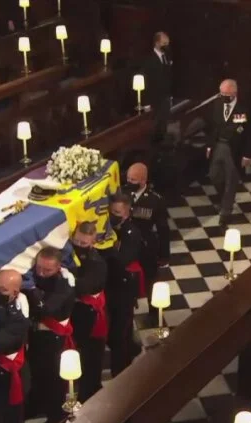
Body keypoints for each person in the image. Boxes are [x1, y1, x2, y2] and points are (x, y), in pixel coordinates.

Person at [23, 247, 77, 423]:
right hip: (37, 336)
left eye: (47, 270)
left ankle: (55, 418)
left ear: (58, 267)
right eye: (38, 268)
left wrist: (31, 289)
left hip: (53, 340)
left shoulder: (65, 285)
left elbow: (46, 309)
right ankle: (36, 406)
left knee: (53, 380)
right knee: (37, 374)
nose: (41, 273)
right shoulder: (37, 276)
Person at [0, 270, 34, 423]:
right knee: (2, 417)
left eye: (3, 290)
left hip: (13, 376)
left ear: (15, 293)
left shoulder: (19, 316)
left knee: (12, 419)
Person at [123, 162, 170, 327]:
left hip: (146, 246)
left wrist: (164, 254)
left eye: (133, 180)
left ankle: (154, 312)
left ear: (143, 180)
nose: (129, 182)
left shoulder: (155, 200)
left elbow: (163, 229)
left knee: (151, 280)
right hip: (126, 245)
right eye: (128, 178)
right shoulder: (123, 194)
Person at [102, 194, 144, 376]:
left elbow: (122, 260)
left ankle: (121, 371)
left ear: (127, 213)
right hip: (112, 287)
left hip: (124, 289)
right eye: (112, 212)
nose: (114, 215)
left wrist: (106, 249)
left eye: (118, 213)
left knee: (120, 332)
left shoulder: (131, 233)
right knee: (116, 330)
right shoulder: (112, 229)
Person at [205, 79, 251, 226]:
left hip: (235, 149)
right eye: (221, 94)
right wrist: (209, 146)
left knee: (231, 181)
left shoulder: (244, 108)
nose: (223, 97)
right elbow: (211, 128)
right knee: (214, 175)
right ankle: (224, 199)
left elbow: (250, 134)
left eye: (226, 94)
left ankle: (226, 211)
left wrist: (248, 154)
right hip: (218, 145)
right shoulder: (217, 105)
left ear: (234, 93)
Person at [68, 222, 108, 402]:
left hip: (89, 316)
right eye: (76, 241)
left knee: (91, 356)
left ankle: (90, 394)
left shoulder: (97, 263)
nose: (78, 245)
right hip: (75, 312)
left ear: (93, 242)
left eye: (83, 243)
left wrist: (68, 278)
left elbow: (84, 287)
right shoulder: (68, 254)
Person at [142, 32, 173, 143]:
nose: (166, 46)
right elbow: (146, 82)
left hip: (165, 99)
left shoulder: (167, 57)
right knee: (154, 129)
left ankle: (163, 147)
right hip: (154, 100)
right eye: (164, 43)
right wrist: (146, 104)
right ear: (157, 43)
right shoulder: (149, 60)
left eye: (167, 44)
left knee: (163, 126)